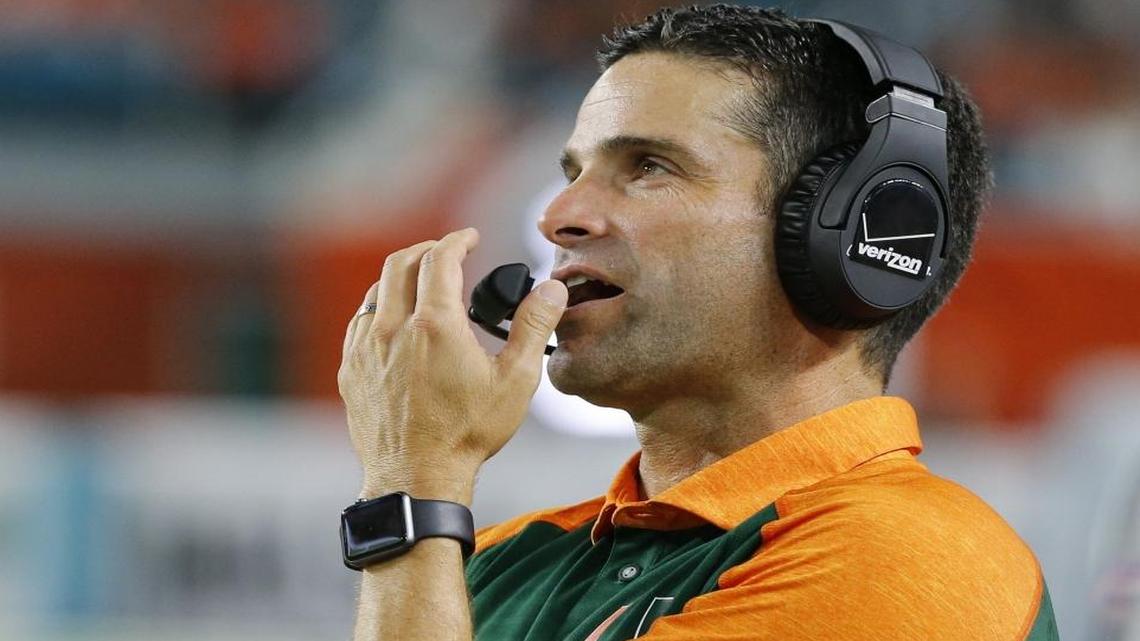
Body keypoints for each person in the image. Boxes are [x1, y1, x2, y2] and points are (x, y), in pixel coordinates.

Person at [336, 5, 1059, 640]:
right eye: (573, 173)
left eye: (649, 166)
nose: (558, 219)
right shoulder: (497, 559)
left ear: (851, 237)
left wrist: (415, 482)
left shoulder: (909, 556)